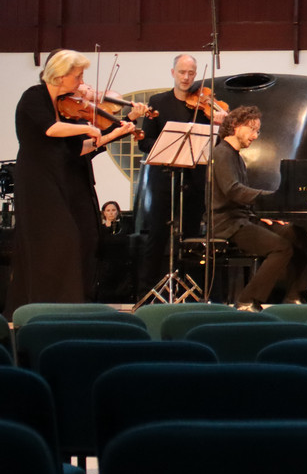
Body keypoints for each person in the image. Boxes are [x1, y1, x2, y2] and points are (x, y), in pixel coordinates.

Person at [4, 50, 139, 314]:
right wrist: (87, 127)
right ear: (60, 75)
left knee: (71, 240)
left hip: (58, 180)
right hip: (36, 180)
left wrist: (115, 133)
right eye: (77, 76)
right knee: (59, 240)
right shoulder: (34, 96)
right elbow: (50, 128)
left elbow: (79, 149)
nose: (81, 82)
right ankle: (45, 307)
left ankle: (62, 306)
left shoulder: (64, 107)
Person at [136, 54, 226, 297]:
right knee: (157, 235)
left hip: (194, 180)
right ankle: (146, 294)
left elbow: (218, 144)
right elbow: (144, 143)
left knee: (190, 237)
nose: (186, 77)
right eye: (182, 72)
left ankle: (190, 292)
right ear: (173, 73)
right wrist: (168, 145)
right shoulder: (158, 101)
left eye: (191, 73)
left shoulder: (205, 105)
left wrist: (220, 125)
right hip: (164, 178)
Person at [209, 105, 307, 310]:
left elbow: (240, 198)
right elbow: (233, 191)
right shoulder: (221, 153)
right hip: (227, 224)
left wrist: (261, 214)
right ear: (235, 125)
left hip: (243, 219)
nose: (255, 136)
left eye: (257, 131)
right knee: (281, 247)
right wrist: (269, 196)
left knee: (296, 234)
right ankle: (247, 300)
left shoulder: (235, 156)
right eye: (252, 129)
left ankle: (294, 296)